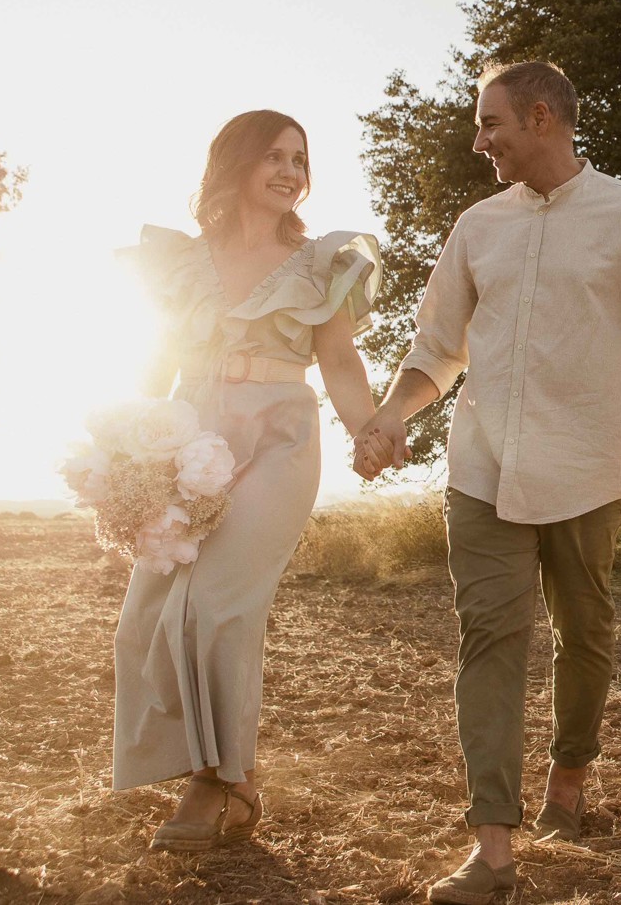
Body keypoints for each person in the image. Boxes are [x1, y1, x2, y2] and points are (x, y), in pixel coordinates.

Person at [351, 60, 621, 905]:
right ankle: (492, 845)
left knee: (584, 629)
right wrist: (392, 412)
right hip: (481, 463)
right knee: (490, 635)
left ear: (542, 116)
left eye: (492, 125)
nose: (480, 141)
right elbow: (437, 347)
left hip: (587, 469)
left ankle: (569, 780)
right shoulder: (477, 226)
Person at [113, 109, 383, 852]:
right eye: (274, 155)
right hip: (187, 434)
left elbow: (338, 360)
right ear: (235, 166)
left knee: (218, 600)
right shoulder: (182, 261)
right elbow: (156, 360)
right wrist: (127, 444)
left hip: (280, 437)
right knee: (146, 616)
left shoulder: (322, 261)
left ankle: (219, 782)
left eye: (300, 157)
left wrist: (367, 428)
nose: (292, 170)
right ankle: (218, 774)